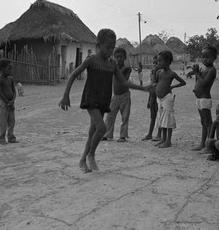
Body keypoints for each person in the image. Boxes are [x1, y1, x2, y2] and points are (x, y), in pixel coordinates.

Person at [59, 28, 151, 173]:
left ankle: (82, 160)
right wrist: (66, 95)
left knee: (92, 132)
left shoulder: (112, 64)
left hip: (103, 100)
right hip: (91, 99)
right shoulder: (92, 60)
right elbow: (73, 75)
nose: (110, 51)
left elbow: (124, 83)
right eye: (107, 47)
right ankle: (91, 155)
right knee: (101, 128)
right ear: (98, 45)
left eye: (112, 47)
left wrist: (144, 88)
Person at [153, 50, 186, 148]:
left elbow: (183, 82)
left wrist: (173, 87)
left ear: (167, 62)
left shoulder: (171, 73)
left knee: (168, 118)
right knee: (162, 118)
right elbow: (156, 83)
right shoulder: (159, 72)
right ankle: (163, 138)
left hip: (167, 98)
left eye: (160, 61)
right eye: (158, 61)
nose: (158, 63)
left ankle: (168, 140)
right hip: (160, 99)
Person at [188, 46, 217, 151]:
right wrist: (195, 73)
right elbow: (199, 81)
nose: (204, 59)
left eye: (207, 57)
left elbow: (204, 84)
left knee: (208, 122)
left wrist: (196, 73)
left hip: (205, 99)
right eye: (203, 57)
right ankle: (203, 144)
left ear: (214, 58)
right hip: (199, 99)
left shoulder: (212, 70)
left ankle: (209, 146)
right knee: (203, 123)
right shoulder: (205, 69)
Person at [101, 47, 133, 142]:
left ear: (125, 58)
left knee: (125, 116)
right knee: (110, 115)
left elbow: (124, 80)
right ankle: (107, 134)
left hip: (125, 96)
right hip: (115, 96)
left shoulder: (127, 69)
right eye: (117, 57)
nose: (118, 59)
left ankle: (123, 136)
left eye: (121, 57)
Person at [0, 58, 18, 145]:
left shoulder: (11, 79)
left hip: (11, 103)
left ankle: (11, 137)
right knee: (3, 122)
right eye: (9, 68)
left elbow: (14, 91)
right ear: (2, 69)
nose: (11, 70)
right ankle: (2, 139)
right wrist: (8, 102)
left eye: (11, 68)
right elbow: (0, 93)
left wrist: (12, 101)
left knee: (12, 121)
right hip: (4, 103)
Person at [142, 55, 161, 141]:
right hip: (152, 97)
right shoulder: (152, 74)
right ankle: (150, 134)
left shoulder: (161, 74)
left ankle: (159, 134)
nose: (155, 64)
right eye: (154, 63)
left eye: (157, 62)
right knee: (152, 116)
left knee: (159, 116)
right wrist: (149, 100)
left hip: (158, 98)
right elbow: (151, 87)